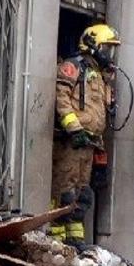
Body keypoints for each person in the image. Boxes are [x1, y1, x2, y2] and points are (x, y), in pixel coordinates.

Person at [51, 24, 119, 250]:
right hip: (72, 141)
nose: (110, 55)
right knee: (65, 191)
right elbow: (62, 97)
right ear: (93, 45)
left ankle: (75, 240)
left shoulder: (100, 76)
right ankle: (57, 241)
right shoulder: (73, 67)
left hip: (90, 142)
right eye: (107, 49)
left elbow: (103, 108)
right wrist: (74, 128)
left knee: (83, 193)